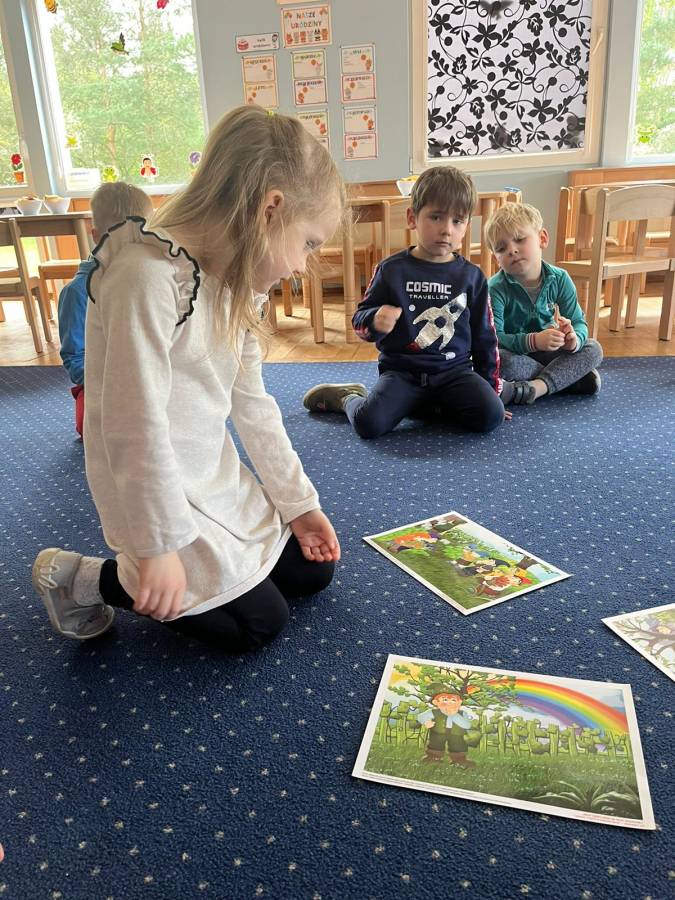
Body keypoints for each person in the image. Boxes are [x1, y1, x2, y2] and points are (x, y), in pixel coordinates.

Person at [33, 106, 345, 652]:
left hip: (211, 474)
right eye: (309, 244)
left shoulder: (238, 277)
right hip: (156, 487)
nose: (302, 265)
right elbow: (131, 426)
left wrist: (299, 503)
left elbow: (253, 404)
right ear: (270, 209)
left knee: (313, 570)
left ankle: (197, 565)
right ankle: (83, 579)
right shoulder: (145, 276)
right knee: (259, 625)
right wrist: (156, 547)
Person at [302, 166, 506, 439]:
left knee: (491, 416)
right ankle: (348, 397)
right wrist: (374, 319)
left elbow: (485, 338)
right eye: (436, 217)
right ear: (412, 218)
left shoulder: (472, 277)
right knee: (369, 424)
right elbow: (359, 322)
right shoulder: (391, 270)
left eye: (458, 221)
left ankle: (421, 406)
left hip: (453, 373)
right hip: (402, 374)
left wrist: (490, 391)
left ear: (467, 225)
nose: (447, 230)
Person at [58, 182, 154, 437]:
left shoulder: (148, 280)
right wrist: (115, 377)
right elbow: (74, 359)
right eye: (123, 243)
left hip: (147, 376)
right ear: (96, 236)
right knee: (94, 428)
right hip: (101, 383)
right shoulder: (77, 292)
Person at [484, 202, 603, 405]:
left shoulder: (560, 278)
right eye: (501, 248)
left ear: (542, 238)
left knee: (593, 348)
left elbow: (578, 322)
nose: (512, 250)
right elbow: (495, 338)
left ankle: (536, 388)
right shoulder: (495, 288)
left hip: (550, 352)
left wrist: (573, 339)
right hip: (516, 355)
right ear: (496, 258)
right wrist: (533, 341)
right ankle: (568, 379)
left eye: (520, 239)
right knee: (503, 361)